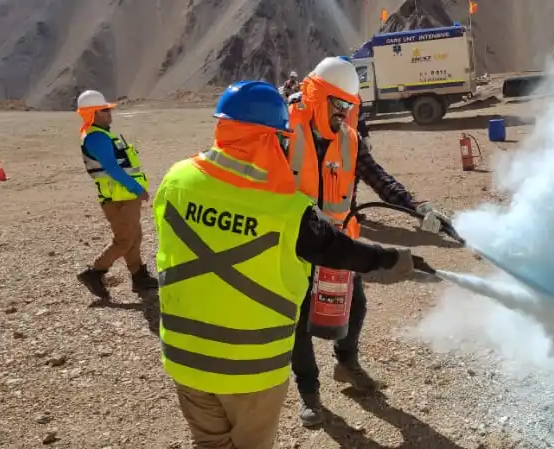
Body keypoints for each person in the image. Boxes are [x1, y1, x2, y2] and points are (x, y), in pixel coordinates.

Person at [154, 80, 419, 449]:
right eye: (279, 138)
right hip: (248, 368)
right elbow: (338, 250)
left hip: (184, 359)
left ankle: (344, 365)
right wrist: (393, 258)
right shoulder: (286, 210)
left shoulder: (176, 179)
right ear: (267, 139)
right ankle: (310, 393)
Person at [285, 56, 452, 427]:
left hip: (341, 244)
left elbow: (379, 179)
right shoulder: (284, 136)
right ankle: (309, 394)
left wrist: (417, 207)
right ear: (316, 96)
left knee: (355, 307)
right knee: (299, 322)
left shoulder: (350, 141)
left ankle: (346, 365)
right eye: (338, 104)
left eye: (349, 106)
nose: (343, 113)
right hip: (296, 247)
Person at [75, 90, 158, 300]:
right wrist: (137, 188)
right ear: (93, 114)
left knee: (134, 236)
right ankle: (95, 272)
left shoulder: (102, 134)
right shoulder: (96, 138)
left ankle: (138, 275)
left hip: (123, 196)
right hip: (118, 198)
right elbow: (112, 169)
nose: (109, 113)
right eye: (104, 110)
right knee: (124, 239)